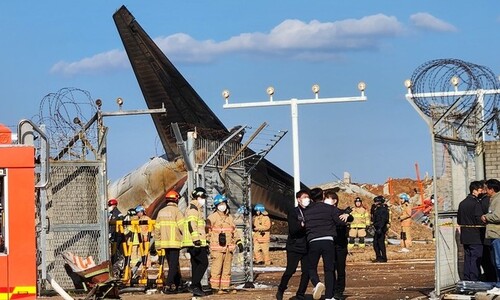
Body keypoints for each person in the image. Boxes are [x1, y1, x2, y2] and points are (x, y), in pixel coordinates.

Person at [303, 187, 350, 300]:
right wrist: (347, 215)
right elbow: (340, 221)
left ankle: (317, 282)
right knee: (329, 269)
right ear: (323, 196)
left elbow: (304, 224)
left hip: (313, 240)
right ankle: (329, 296)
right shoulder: (329, 208)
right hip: (328, 241)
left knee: (311, 267)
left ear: (311, 198)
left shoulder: (307, 211)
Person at [276, 190, 311, 300]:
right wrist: (302, 225)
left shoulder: (311, 211)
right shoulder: (293, 212)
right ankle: (281, 288)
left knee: (307, 271)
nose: (307, 199)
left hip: (307, 246)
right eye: (304, 197)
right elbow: (293, 229)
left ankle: (300, 294)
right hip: (294, 246)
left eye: (308, 197)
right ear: (298, 199)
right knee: (291, 270)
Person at [206, 194, 243, 294]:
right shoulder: (212, 217)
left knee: (227, 269)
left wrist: (238, 242)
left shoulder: (229, 218)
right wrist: (206, 242)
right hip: (217, 248)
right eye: (220, 204)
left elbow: (234, 231)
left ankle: (225, 286)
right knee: (216, 268)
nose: (222, 206)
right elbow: (207, 231)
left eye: (223, 204)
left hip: (228, 248)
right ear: (216, 206)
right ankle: (215, 287)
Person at [154, 190, 185, 294]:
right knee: (173, 265)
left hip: (164, 243)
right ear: (176, 200)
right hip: (175, 243)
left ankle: (178, 284)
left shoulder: (161, 212)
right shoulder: (177, 212)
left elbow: (157, 230)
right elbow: (183, 227)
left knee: (173, 264)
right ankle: (168, 285)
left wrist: (157, 245)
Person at [324, 190, 353, 300]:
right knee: (330, 268)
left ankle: (339, 291)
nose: (325, 200)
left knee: (340, 268)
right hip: (329, 244)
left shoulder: (340, 212)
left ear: (335, 201)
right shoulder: (324, 213)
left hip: (340, 245)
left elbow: (350, 218)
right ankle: (330, 289)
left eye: (328, 198)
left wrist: (347, 215)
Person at [182, 187, 209, 298]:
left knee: (196, 264)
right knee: (203, 263)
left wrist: (205, 242)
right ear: (197, 197)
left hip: (196, 242)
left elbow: (199, 227)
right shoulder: (193, 209)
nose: (203, 200)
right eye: (202, 197)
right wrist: (196, 240)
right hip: (194, 242)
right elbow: (191, 224)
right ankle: (194, 285)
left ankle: (197, 288)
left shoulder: (196, 209)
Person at [457, 181, 485, 281]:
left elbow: (459, 220)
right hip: (475, 236)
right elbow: (479, 219)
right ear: (474, 191)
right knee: (475, 259)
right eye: (480, 190)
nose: (481, 192)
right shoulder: (476, 204)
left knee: (468, 259)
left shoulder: (462, 203)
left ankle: (467, 280)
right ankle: (474, 280)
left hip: (465, 236)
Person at [481, 179, 500, 290]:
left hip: (497, 235)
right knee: (496, 261)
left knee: (498, 262)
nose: (485, 191)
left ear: (492, 189)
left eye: (486, 188)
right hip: (494, 235)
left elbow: (497, 216)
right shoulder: (493, 199)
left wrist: (486, 217)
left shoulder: (498, 200)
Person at [372, 195, 389, 263]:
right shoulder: (377, 209)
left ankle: (384, 258)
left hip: (381, 228)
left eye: (376, 202)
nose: (375, 203)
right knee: (375, 243)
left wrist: (380, 228)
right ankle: (378, 257)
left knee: (381, 243)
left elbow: (383, 220)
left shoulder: (383, 209)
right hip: (377, 228)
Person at [107, 198, 124, 263]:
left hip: (117, 235)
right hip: (111, 234)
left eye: (110, 206)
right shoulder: (110, 214)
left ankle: (115, 263)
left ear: (114, 205)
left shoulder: (118, 214)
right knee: (112, 250)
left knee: (115, 250)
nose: (109, 207)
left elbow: (121, 223)